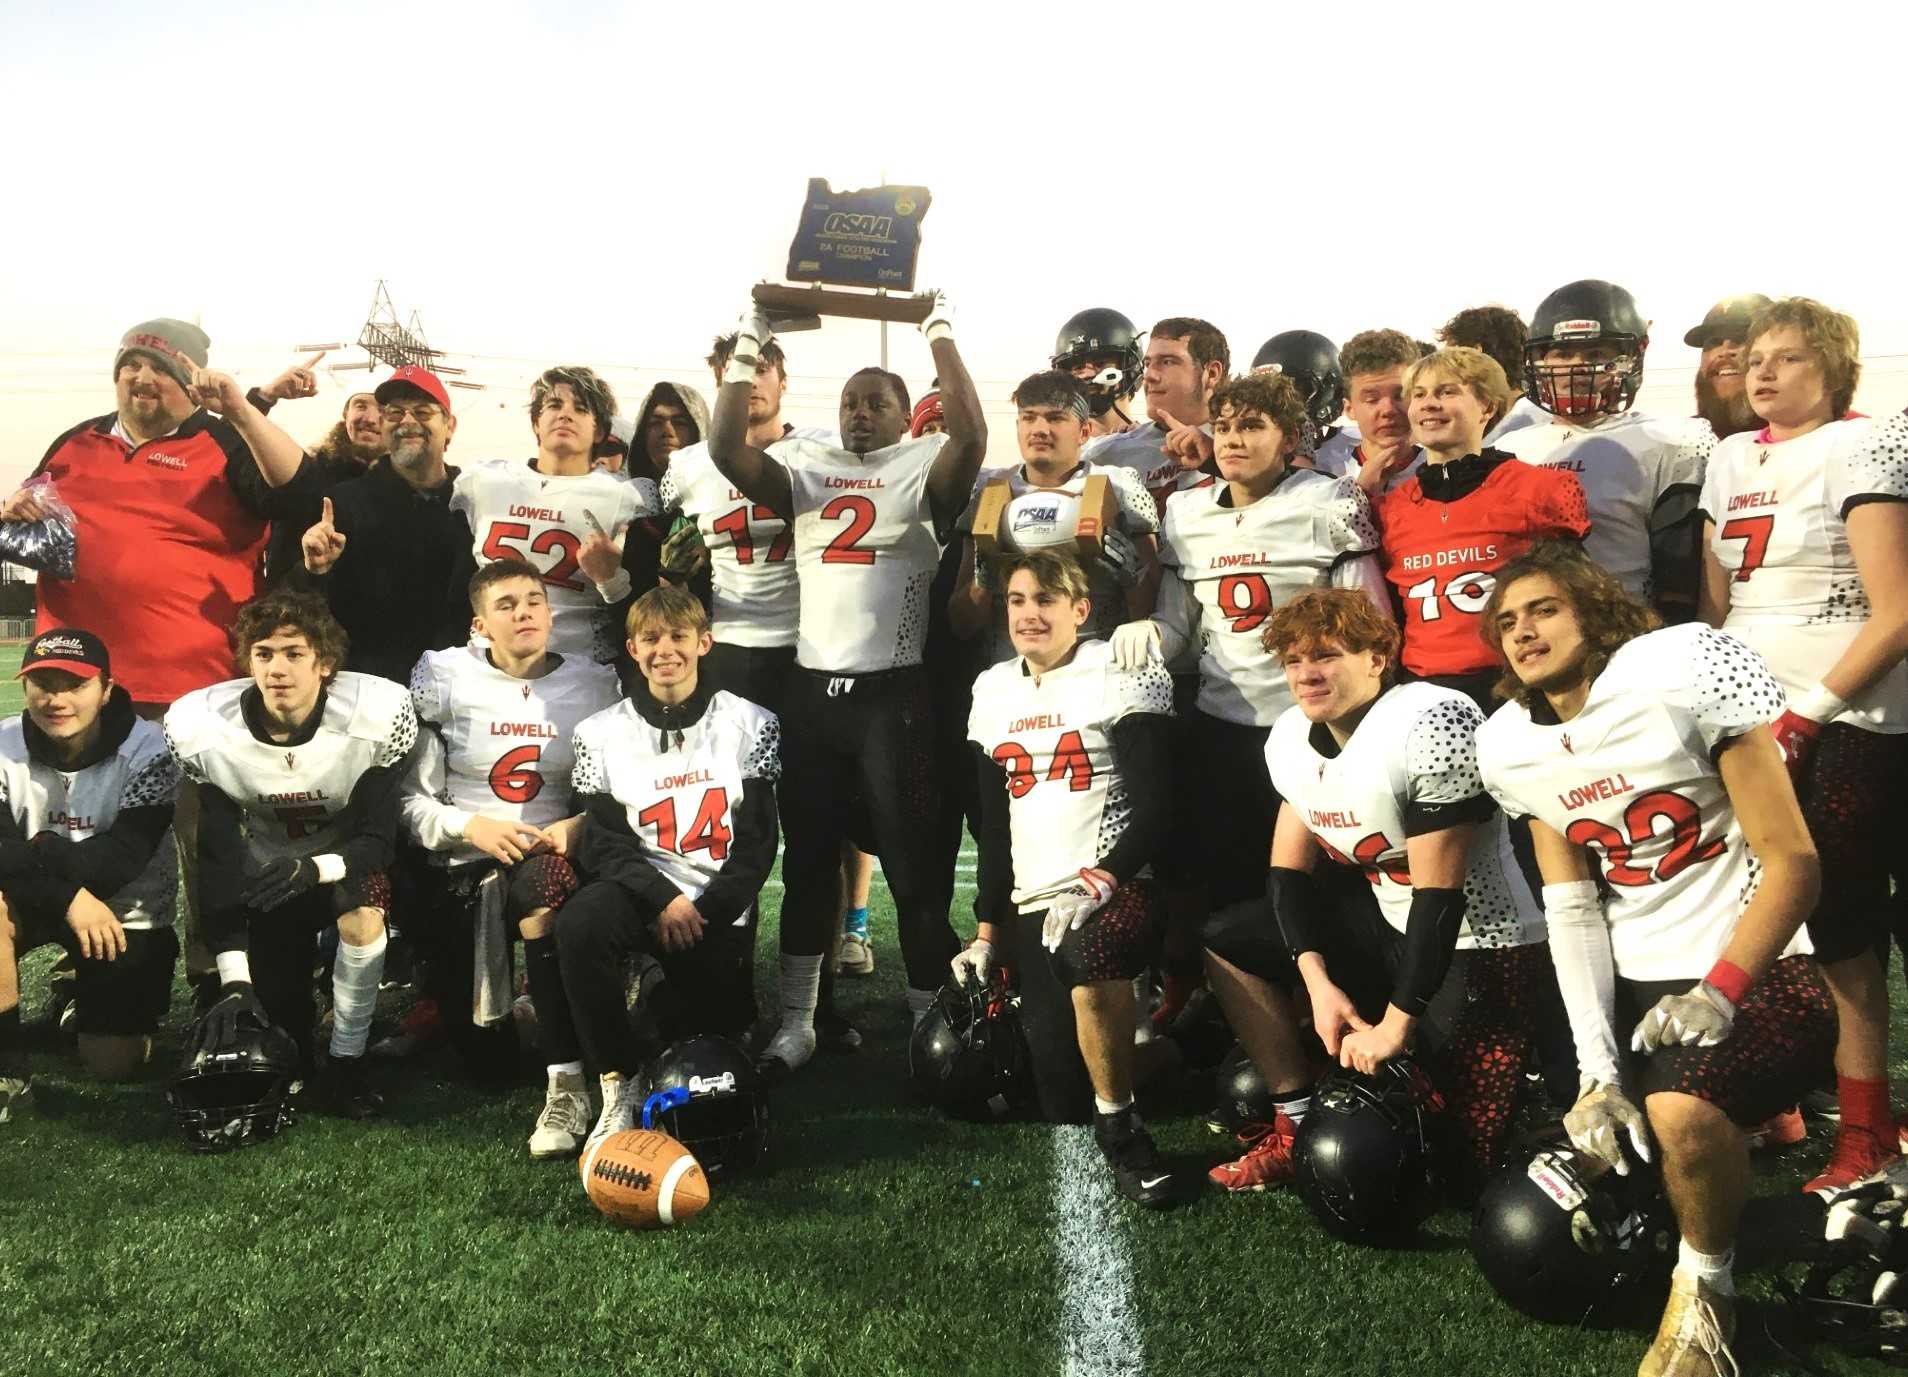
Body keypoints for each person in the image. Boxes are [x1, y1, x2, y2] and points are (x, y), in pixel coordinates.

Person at [1475, 542, 1833, 1376]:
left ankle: (1710, 1299)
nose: (1523, 630)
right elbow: (1572, 909)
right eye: (1507, 620)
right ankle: (1805, 1222)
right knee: (1574, 1170)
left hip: (1759, 967)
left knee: (1678, 1116)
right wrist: (1596, 1071)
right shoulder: (1512, 745)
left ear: (1593, 611)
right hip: (1641, 985)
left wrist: (1721, 989)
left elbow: (1794, 861)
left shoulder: (1676, 675)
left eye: (1544, 608)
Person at [707, 292, 985, 1070]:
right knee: (808, 865)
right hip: (812, 695)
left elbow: (972, 433)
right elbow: (726, 446)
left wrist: (937, 328)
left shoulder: (923, 465)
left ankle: (930, 1019)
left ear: (903, 416)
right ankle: (799, 1020)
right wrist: (754, 336)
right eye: (850, 402)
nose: (860, 413)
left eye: (876, 402)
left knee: (914, 870)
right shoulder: (808, 466)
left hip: (893, 698)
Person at [1201, 589, 1546, 1194]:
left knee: (1461, 1166)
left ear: (1377, 659)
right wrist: (1317, 983)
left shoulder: (1431, 721)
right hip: (1392, 927)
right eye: (1293, 660)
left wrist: (1394, 1026)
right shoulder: (1291, 737)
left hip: (1484, 943)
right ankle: (1294, 1120)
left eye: (1326, 655)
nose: (1307, 674)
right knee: (1228, 937)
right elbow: (1287, 879)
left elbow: (1441, 900)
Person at [1696, 298, 1908, 1193]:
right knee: (1758, 910)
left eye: (1788, 357)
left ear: (1834, 369)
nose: (1764, 372)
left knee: (1841, 925)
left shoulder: (1864, 443)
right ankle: (1777, 1094)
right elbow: (1716, 607)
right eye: (1756, 359)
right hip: (1752, 712)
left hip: (1845, 715)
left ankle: (1868, 1132)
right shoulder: (1727, 456)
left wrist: (1810, 712)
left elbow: (1897, 610)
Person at [1109, 373, 1385, 1029]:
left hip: (1312, 732)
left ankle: (1330, 1020)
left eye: (1253, 426)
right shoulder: (1187, 511)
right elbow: (1180, 631)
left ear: (1289, 439)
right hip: (1224, 730)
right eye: (1226, 426)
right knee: (1231, 889)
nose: (1233, 439)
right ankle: (1251, 1030)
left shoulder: (1327, 501)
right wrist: (1148, 631)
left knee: (1321, 891)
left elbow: (1368, 621)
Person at [958, 551, 1180, 1205]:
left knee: (1089, 954)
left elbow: (1159, 806)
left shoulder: (1120, 668)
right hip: (1037, 900)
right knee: (1057, 1098)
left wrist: (1105, 879)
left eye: (1046, 600)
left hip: (1120, 884)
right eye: (1017, 600)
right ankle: (1169, 1051)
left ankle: (1124, 1129)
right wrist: (986, 932)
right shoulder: (992, 688)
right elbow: (994, 827)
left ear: (1081, 610)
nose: (1029, 613)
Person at [164, 591, 418, 1118]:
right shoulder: (205, 729)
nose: (277, 669)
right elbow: (216, 857)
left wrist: (315, 868)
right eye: (263, 654)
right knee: (285, 1040)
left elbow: (379, 837)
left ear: (324, 663)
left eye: (293, 653)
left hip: (347, 865)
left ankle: (348, 1061)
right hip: (271, 876)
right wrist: (234, 978)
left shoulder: (374, 714)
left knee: (362, 913)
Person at [401, 559, 621, 1150]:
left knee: (541, 887)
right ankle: (532, 1012)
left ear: (550, 614)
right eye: (506, 604)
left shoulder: (594, 684)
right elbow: (408, 804)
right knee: (488, 1066)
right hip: (463, 868)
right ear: (479, 625)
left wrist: (580, 825)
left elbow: (622, 786)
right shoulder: (446, 676)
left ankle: (567, 1084)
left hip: (553, 858)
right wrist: (470, 825)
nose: (523, 612)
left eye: (533, 601)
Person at [560, 587, 780, 1151]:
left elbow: (757, 845)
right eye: (651, 639)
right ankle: (617, 1083)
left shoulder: (750, 722)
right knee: (581, 924)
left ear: (704, 642)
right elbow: (604, 844)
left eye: (679, 636)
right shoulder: (599, 733)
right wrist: (662, 899)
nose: (666, 650)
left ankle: (653, 990)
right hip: (640, 893)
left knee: (709, 1049)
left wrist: (703, 912)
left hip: (713, 903)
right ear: (632, 648)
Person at [12, 319, 313, 713]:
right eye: (131, 364)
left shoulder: (227, 442)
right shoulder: (75, 442)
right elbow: (29, 533)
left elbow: (299, 495)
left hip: (194, 689)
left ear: (190, 382)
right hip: (73, 685)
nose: (143, 377)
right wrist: (13, 513)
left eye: (160, 367)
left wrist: (241, 410)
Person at [0, 629, 179, 1115]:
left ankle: (77, 995)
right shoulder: (2, 743)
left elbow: (121, 859)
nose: (56, 700)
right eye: (43, 684)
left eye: (75, 685)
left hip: (123, 910)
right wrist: (67, 898)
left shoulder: (151, 749)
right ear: (25, 687)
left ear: (106, 689)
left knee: (114, 1063)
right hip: (40, 901)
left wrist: (41, 848)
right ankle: (6, 1068)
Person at [1374, 347, 1590, 706]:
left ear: (1487, 407)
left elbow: (1575, 602)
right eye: (1419, 394)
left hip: (1513, 684)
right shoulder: (1391, 506)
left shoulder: (1539, 489)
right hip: (1421, 693)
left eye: (1447, 391)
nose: (1429, 404)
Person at [1494, 280, 1712, 622]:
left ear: (1629, 360)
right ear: (1538, 360)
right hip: (1533, 629)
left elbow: (1682, 572)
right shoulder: (1506, 448)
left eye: (1595, 354)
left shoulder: (1671, 440)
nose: (1577, 367)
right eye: (1562, 354)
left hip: (1627, 624)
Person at [448, 366, 661, 663]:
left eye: (580, 408)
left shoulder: (625, 497)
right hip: (490, 660)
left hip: (579, 666)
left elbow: (647, 608)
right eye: (554, 405)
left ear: (599, 430)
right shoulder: (485, 481)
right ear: (536, 422)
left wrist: (612, 578)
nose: (565, 415)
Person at [947, 370, 1160, 664]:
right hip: (1013, 671)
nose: (1040, 429)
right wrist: (983, 583)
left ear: (1084, 431)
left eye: (1055, 418)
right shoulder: (989, 491)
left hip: (1097, 666)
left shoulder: (1119, 487)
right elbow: (961, 626)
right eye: (1029, 417)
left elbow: (1154, 615)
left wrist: (1131, 577)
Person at [296, 366, 471, 680]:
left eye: (422, 412)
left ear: (450, 426)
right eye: (395, 413)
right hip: (367, 686)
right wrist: (315, 571)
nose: (407, 421)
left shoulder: (472, 501)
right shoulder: (343, 504)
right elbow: (307, 608)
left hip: (456, 684)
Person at [1082, 317, 1229, 507]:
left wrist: (1214, 459)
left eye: (1167, 362)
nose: (1149, 376)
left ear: (1212, 373)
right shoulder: (1104, 454)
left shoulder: (1251, 443)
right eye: (1148, 364)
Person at [263, 388, 388, 583]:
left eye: (382, 410)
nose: (370, 419)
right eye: (361, 406)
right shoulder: (306, 474)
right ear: (346, 415)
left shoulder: (401, 490)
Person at [1249, 330, 1356, 475]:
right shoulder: (1240, 449)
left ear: (1330, 388)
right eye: (1263, 393)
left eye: (1291, 393)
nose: (1273, 404)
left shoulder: (1356, 451)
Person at [1333, 329, 1424, 497]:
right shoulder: (1324, 475)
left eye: (1400, 395)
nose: (1388, 410)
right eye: (1372, 399)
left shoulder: (1447, 472)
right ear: (1350, 409)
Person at [1437, 305, 1544, 443]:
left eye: (1450, 355)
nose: (1445, 367)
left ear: (1475, 352)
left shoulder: (1528, 427)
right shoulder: (1537, 414)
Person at [1685, 294, 1771, 441]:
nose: (1724, 351)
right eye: (1714, 342)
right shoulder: (1680, 443)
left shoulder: (1808, 441)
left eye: (1742, 338)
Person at [1050, 307, 1144, 438]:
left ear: (1131, 370)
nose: (1087, 374)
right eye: (1078, 367)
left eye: (1100, 363)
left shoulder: (1157, 444)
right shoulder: (1058, 446)